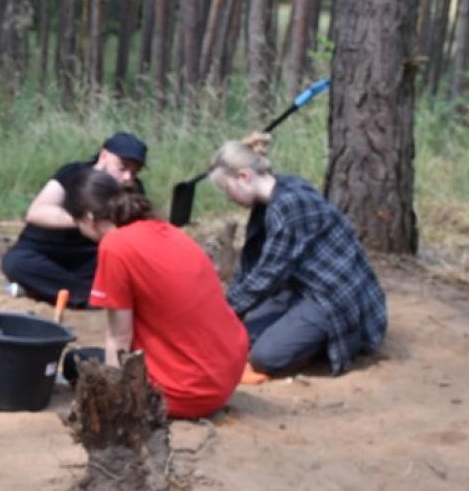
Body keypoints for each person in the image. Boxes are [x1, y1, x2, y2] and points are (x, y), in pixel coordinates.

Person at [61, 170, 247, 419]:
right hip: (225, 376)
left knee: (75, 363)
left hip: (186, 393)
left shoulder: (114, 245)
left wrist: (115, 400)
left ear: (88, 217)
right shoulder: (164, 229)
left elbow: (119, 338)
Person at [208, 133, 386, 378]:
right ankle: (298, 335)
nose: (229, 198)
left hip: (332, 297)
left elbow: (266, 276)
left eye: (227, 189)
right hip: (299, 288)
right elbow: (253, 265)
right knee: (241, 336)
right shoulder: (272, 198)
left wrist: (221, 313)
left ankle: (322, 344)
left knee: (265, 357)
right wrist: (227, 313)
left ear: (244, 177)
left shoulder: (289, 205)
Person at [2, 131, 149, 308]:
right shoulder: (73, 173)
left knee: (127, 264)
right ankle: (88, 297)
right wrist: (84, 220)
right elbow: (36, 212)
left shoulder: (133, 188)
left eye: (134, 171)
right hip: (45, 252)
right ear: (103, 156)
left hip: (91, 257)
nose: (128, 177)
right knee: (16, 263)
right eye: (122, 168)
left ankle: (53, 293)